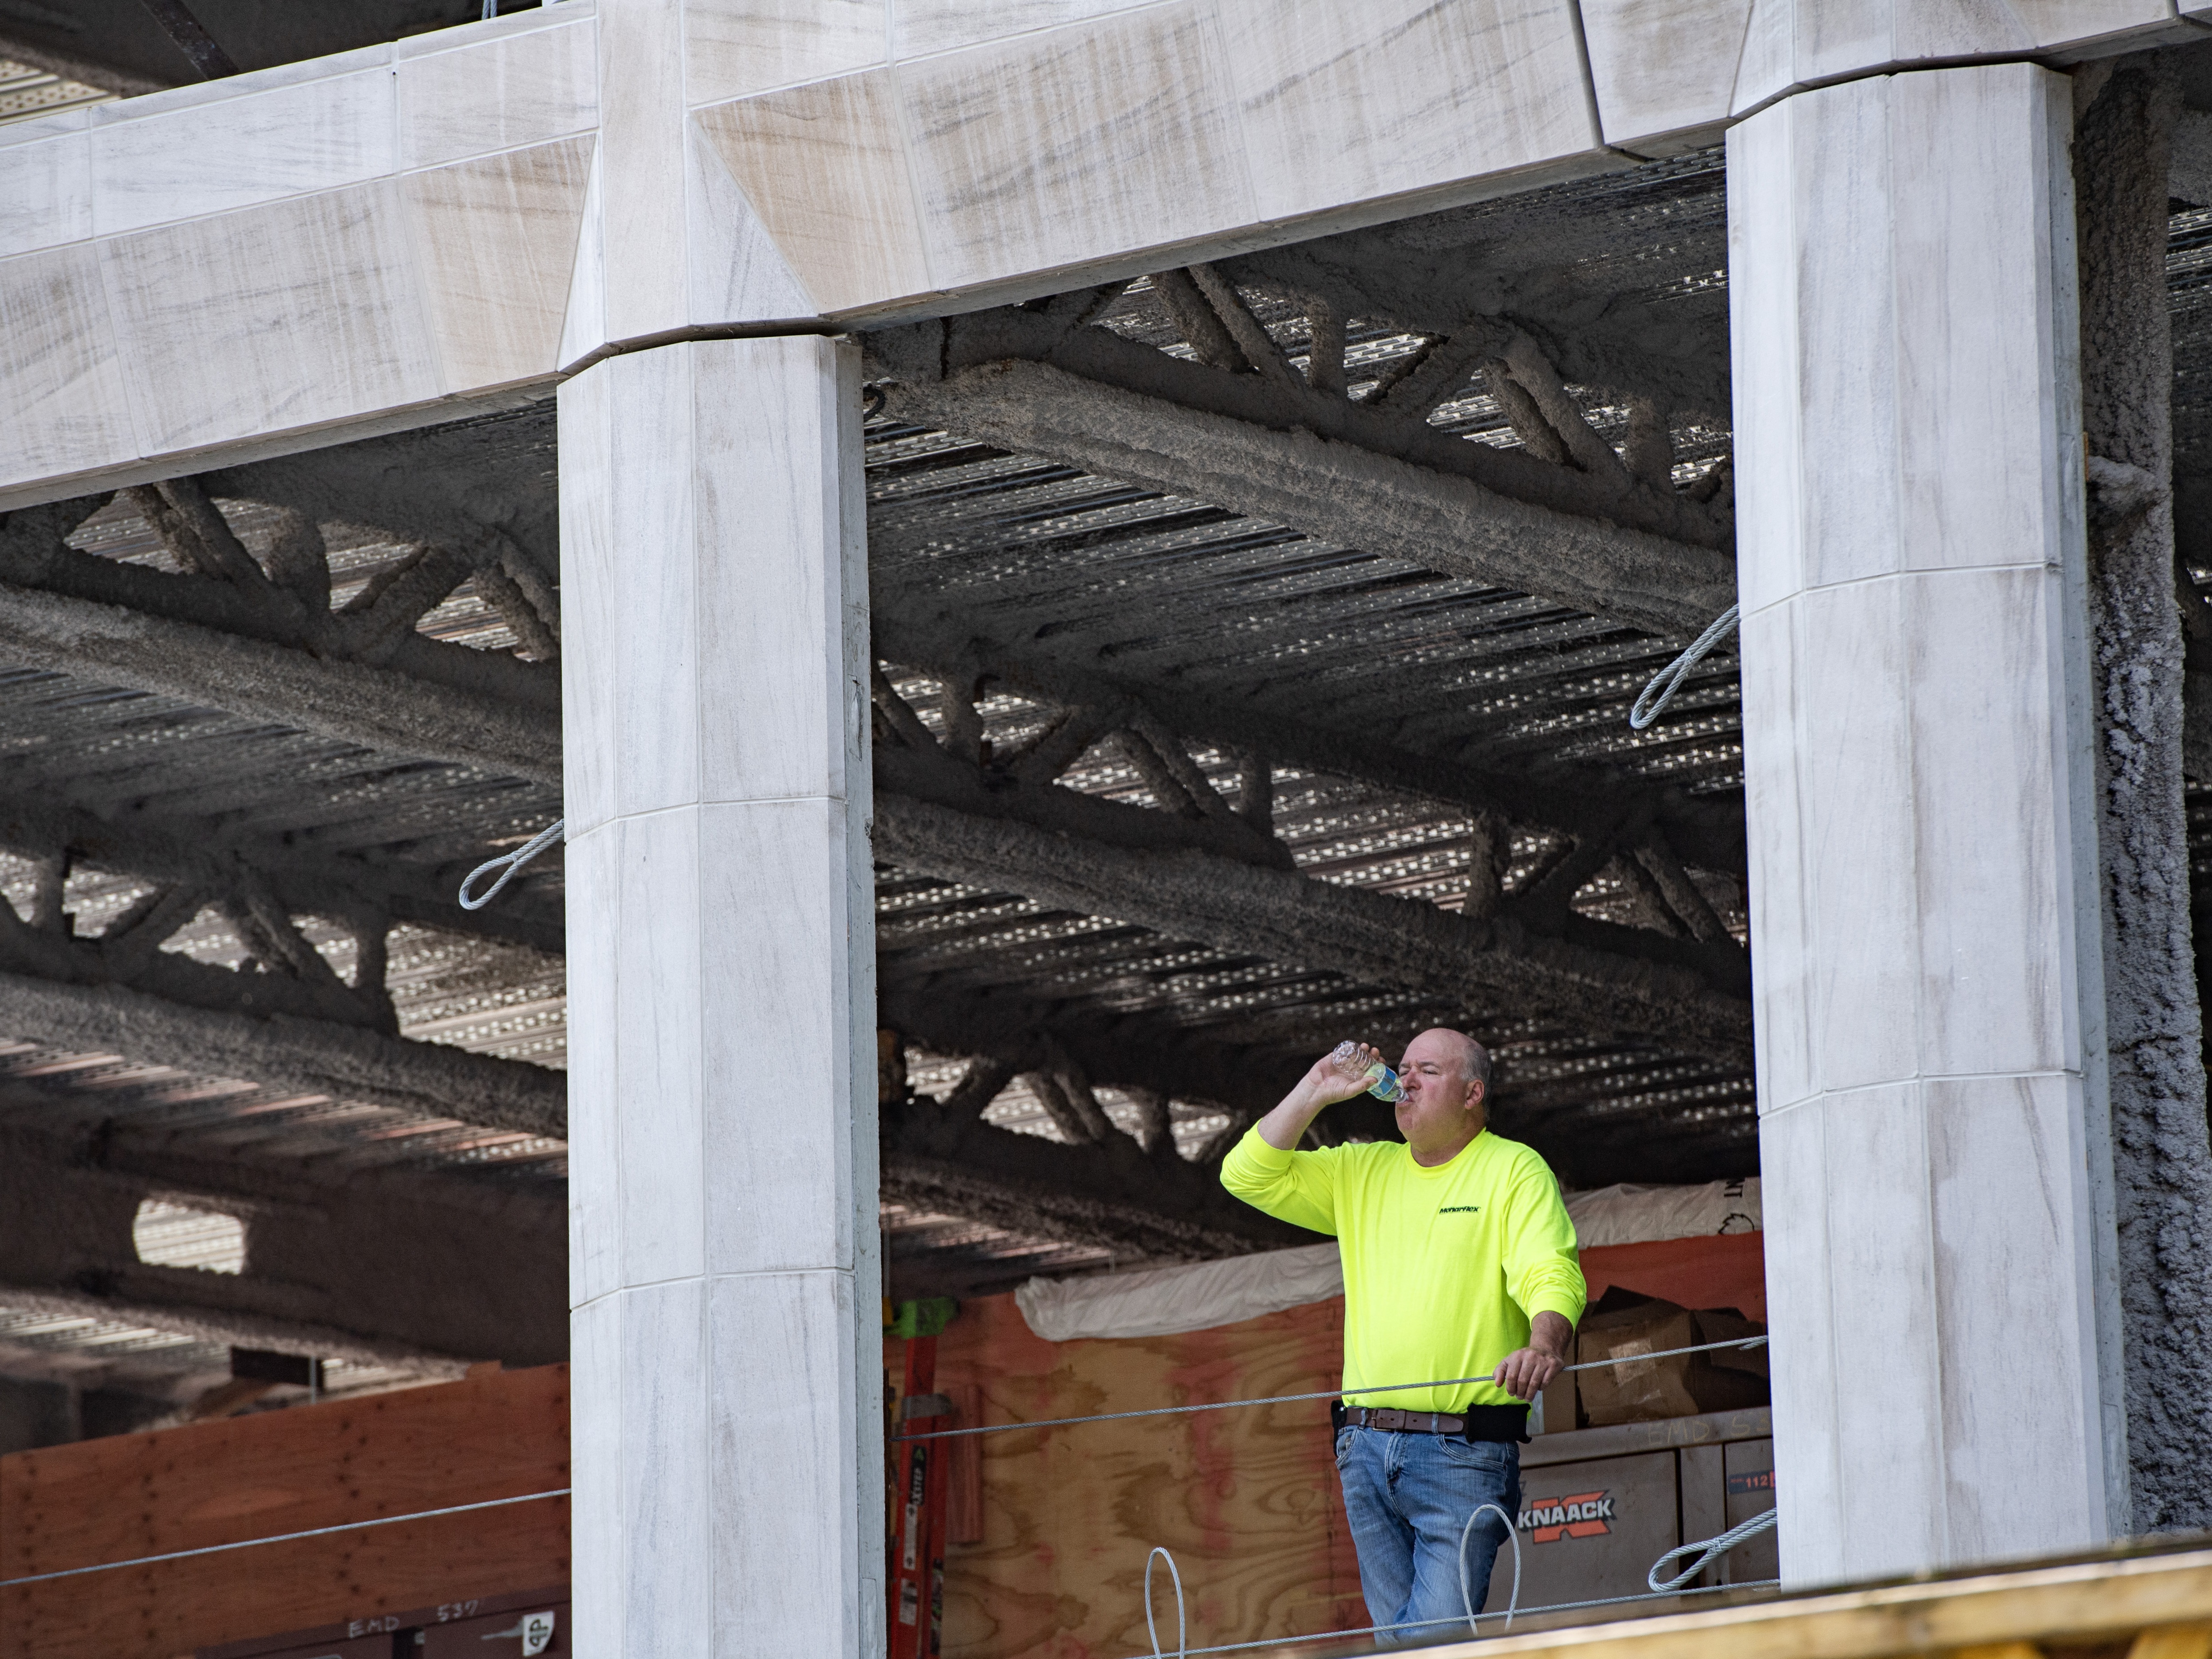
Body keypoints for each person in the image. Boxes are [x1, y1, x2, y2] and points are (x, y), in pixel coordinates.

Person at [1220, 1029, 1584, 1646]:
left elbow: (1550, 1271)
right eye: (1404, 1068)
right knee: (1403, 1646)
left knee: (1430, 1644)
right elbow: (1245, 1176)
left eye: (1429, 1071)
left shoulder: (1512, 1167)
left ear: (1473, 1094)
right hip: (1362, 1446)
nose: (1405, 1080)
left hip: (1461, 1452)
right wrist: (1315, 1089)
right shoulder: (1361, 1168)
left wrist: (1544, 1342)